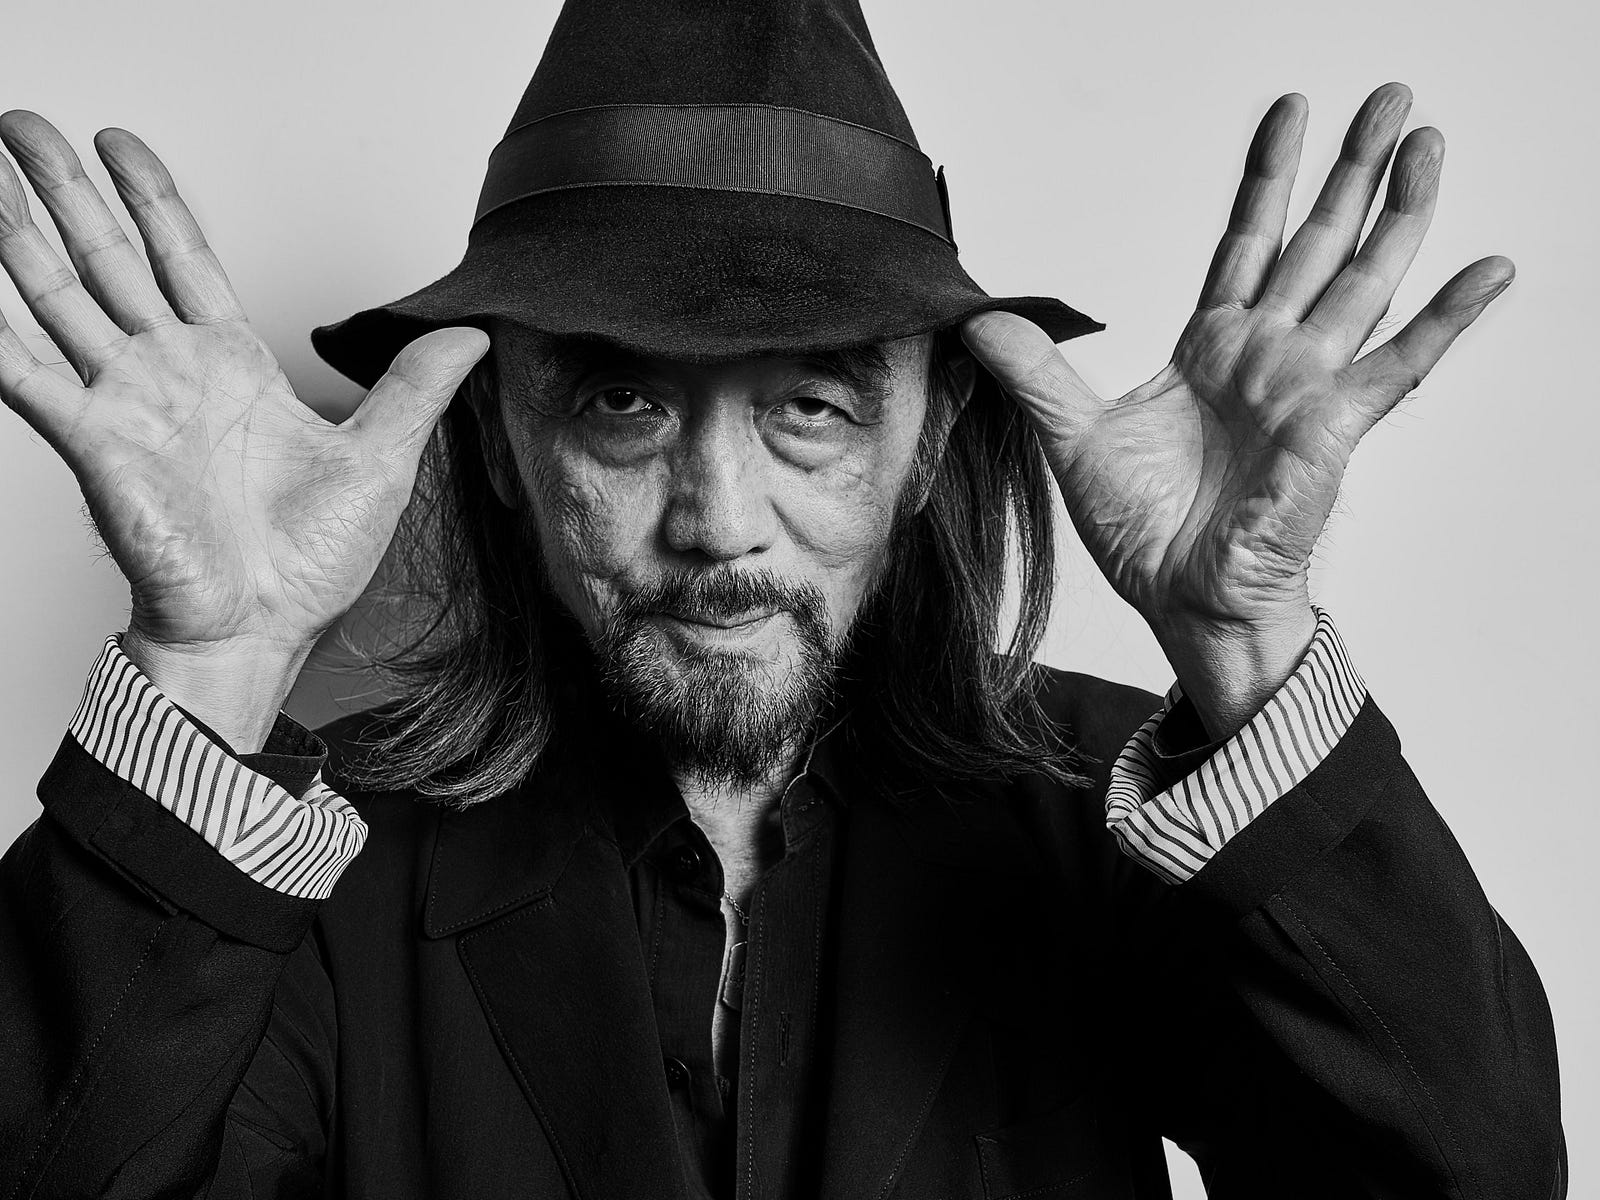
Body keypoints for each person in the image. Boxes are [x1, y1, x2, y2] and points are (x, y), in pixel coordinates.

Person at [0, 0, 1565, 1195]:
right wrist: (214, 659)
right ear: (500, 444)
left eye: (810, 407)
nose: (719, 522)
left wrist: (1244, 638)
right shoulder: (315, 869)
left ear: (927, 441)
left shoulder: (1122, 821)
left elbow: (1466, 1176)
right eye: (622, 405)